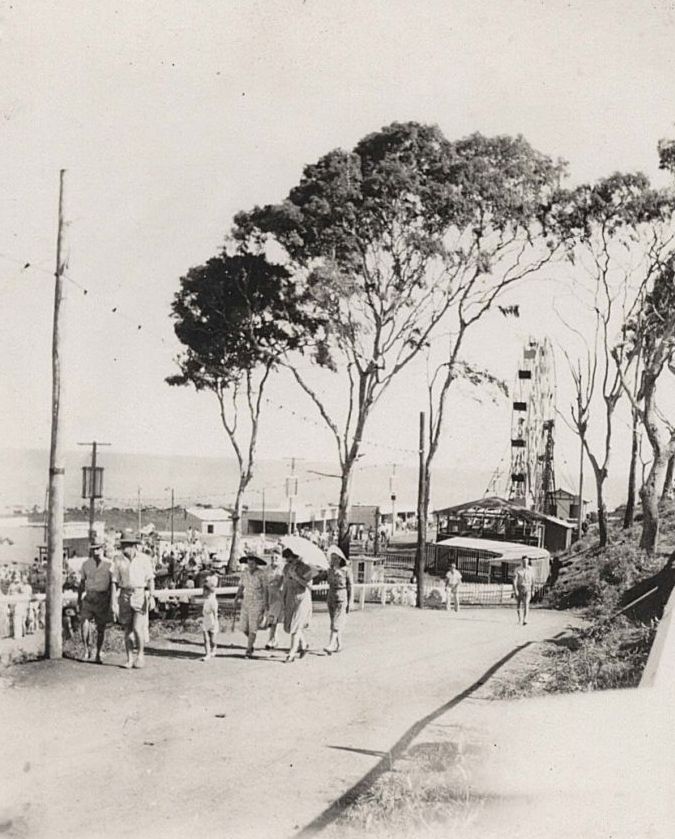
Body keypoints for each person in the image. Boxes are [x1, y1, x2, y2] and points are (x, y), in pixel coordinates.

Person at [112, 537, 155, 669]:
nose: (123, 548)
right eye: (122, 545)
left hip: (139, 594)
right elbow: (114, 581)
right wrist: (114, 601)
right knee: (127, 629)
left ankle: (140, 656)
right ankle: (130, 658)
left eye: (126, 545)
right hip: (125, 594)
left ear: (133, 546)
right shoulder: (118, 560)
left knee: (137, 628)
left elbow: (150, 579)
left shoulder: (144, 559)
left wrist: (152, 596)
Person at [78, 543, 113, 663]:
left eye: (98, 549)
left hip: (102, 597)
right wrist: (79, 600)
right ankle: (86, 650)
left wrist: (110, 600)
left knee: (101, 627)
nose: (95, 551)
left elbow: (112, 584)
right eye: (93, 549)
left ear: (103, 549)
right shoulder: (86, 564)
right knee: (84, 623)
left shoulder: (109, 564)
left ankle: (98, 652)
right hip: (89, 596)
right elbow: (82, 583)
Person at [281, 548, 313, 663]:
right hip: (290, 597)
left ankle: (292, 653)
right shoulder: (286, 568)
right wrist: (282, 598)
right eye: (287, 561)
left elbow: (310, 586)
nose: (289, 563)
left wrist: (296, 577)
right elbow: (285, 584)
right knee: (289, 626)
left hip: (302, 598)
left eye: (291, 560)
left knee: (296, 625)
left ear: (296, 557)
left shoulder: (306, 568)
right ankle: (303, 645)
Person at [235, 554, 268, 659]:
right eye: (249, 563)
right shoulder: (244, 573)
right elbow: (241, 586)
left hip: (258, 602)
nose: (250, 566)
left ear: (256, 563)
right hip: (246, 601)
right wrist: (236, 598)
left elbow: (265, 590)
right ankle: (251, 639)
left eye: (252, 563)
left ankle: (249, 649)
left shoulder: (261, 574)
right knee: (244, 627)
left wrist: (266, 603)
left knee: (253, 627)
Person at [324, 548, 353, 654]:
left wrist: (350, 601)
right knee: (334, 621)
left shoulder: (346, 570)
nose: (334, 561)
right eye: (332, 559)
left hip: (341, 596)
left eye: (336, 559)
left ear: (340, 559)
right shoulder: (329, 570)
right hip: (331, 596)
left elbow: (350, 586)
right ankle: (339, 644)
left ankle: (331, 644)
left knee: (336, 622)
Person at [265, 550, 285, 650]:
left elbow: (281, 583)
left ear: (280, 558)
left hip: (279, 596)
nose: (274, 560)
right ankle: (274, 640)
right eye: (272, 558)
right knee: (272, 619)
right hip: (270, 595)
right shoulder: (267, 569)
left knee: (273, 619)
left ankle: (271, 640)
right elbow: (265, 583)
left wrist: (276, 582)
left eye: (276, 558)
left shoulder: (282, 569)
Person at [201, 575, 219, 661]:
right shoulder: (205, 601)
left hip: (212, 621)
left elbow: (215, 613)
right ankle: (207, 654)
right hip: (206, 621)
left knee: (212, 640)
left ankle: (214, 648)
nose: (203, 593)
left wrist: (215, 622)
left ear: (209, 592)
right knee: (206, 639)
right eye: (203, 591)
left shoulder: (213, 601)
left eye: (205, 591)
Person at [513, 556, 535, 625]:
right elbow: (515, 581)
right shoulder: (517, 569)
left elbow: (533, 580)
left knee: (526, 603)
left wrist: (532, 590)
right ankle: (520, 619)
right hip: (520, 588)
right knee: (518, 605)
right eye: (524, 562)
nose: (525, 563)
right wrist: (515, 590)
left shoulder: (531, 569)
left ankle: (525, 619)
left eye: (526, 561)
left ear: (528, 562)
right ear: (522, 562)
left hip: (528, 588)